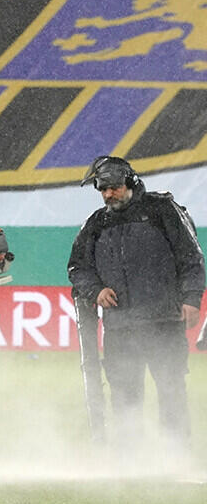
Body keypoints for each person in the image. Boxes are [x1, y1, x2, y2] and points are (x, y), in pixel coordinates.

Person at [68, 156, 205, 452]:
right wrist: (96, 291)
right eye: (103, 190)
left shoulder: (162, 210)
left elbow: (191, 257)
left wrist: (192, 299)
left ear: (129, 182)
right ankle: (131, 458)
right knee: (125, 395)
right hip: (119, 326)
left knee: (171, 389)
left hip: (164, 320)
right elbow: (78, 268)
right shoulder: (96, 222)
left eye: (114, 188)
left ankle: (176, 454)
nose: (108, 195)